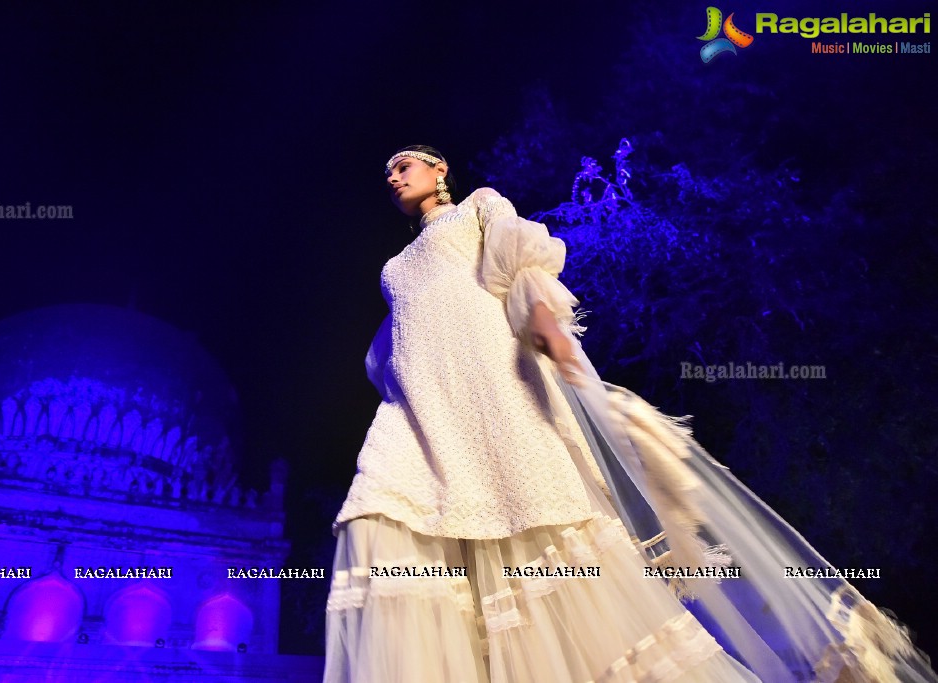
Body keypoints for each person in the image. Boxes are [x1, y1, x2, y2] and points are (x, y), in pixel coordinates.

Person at [324, 146, 935, 682]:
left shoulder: (478, 207)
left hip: (493, 384)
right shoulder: (395, 267)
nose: (393, 177)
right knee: (377, 511)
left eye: (403, 165)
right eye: (386, 174)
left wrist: (548, 327)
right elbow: (397, 340)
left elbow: (519, 270)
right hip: (422, 407)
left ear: (439, 169)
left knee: (528, 517)